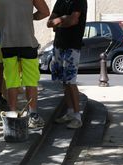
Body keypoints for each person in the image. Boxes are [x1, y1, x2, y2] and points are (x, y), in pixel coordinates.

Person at [0, 0, 50, 128]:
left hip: (8, 43)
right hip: (28, 42)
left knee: (12, 82)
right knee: (31, 81)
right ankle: (33, 115)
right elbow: (45, 12)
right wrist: (29, 17)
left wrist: (5, 20)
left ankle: (13, 115)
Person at [47, 0, 87, 129]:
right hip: (59, 45)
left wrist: (57, 22)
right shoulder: (60, 1)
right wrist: (63, 19)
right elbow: (49, 22)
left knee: (70, 81)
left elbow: (74, 20)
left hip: (72, 46)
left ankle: (77, 116)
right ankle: (70, 112)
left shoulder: (79, 1)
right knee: (64, 81)